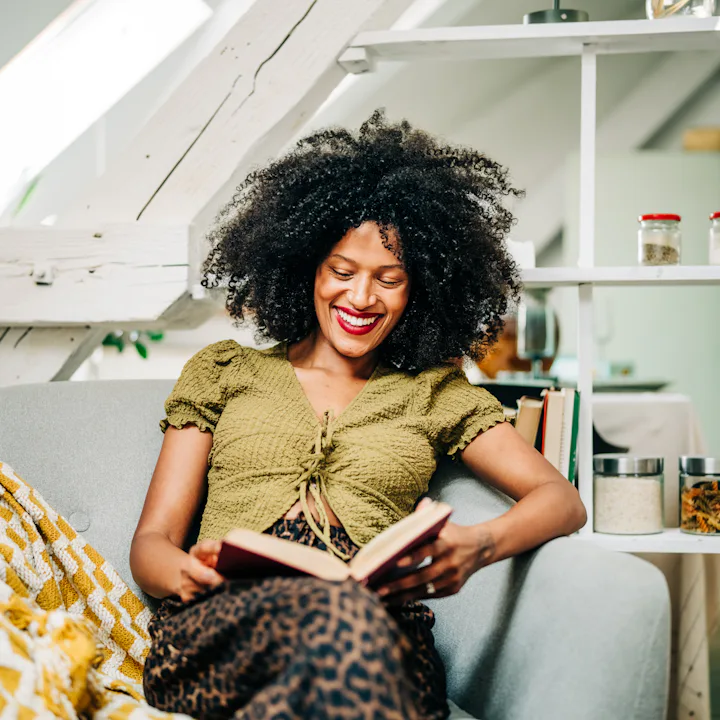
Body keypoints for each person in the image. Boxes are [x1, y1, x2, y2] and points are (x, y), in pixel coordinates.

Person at [130, 110, 586, 720]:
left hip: (376, 632)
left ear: (418, 290)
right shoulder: (225, 372)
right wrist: (190, 576)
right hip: (225, 626)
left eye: (389, 280)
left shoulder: (433, 392)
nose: (361, 298)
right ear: (306, 271)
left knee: (347, 623)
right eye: (341, 272)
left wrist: (478, 545)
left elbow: (562, 500)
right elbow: (151, 544)